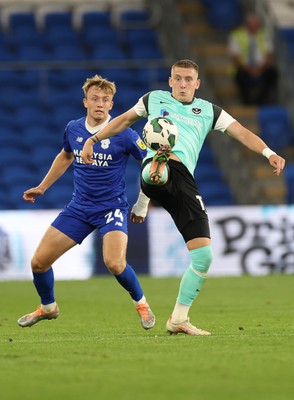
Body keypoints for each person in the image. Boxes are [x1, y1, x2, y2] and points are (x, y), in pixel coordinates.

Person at [81, 59, 285, 336]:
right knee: (158, 168)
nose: (183, 84)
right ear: (170, 81)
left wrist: (268, 153)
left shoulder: (209, 111)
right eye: (178, 78)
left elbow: (242, 133)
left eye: (189, 79)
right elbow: (123, 121)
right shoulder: (154, 99)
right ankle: (155, 172)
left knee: (203, 257)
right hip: (162, 166)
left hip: (184, 183)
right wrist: (93, 140)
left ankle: (178, 319)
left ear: (197, 84)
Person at [17, 75, 155, 330]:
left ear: (112, 105)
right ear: (85, 102)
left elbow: (150, 165)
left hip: (111, 208)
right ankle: (48, 307)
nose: (100, 104)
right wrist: (42, 187)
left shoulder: (125, 134)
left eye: (105, 100)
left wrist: (142, 202)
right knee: (38, 263)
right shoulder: (74, 128)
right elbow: (65, 156)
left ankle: (142, 304)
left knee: (114, 262)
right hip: (79, 209)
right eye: (95, 99)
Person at [228, 12, 278, 105]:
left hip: (261, 68)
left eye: (257, 25)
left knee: (272, 73)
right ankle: (247, 102)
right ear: (247, 25)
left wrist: (260, 69)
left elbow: (269, 55)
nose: (255, 27)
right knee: (240, 75)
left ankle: (261, 101)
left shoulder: (264, 35)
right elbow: (235, 57)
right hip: (244, 68)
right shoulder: (237, 35)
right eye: (253, 25)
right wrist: (250, 70)